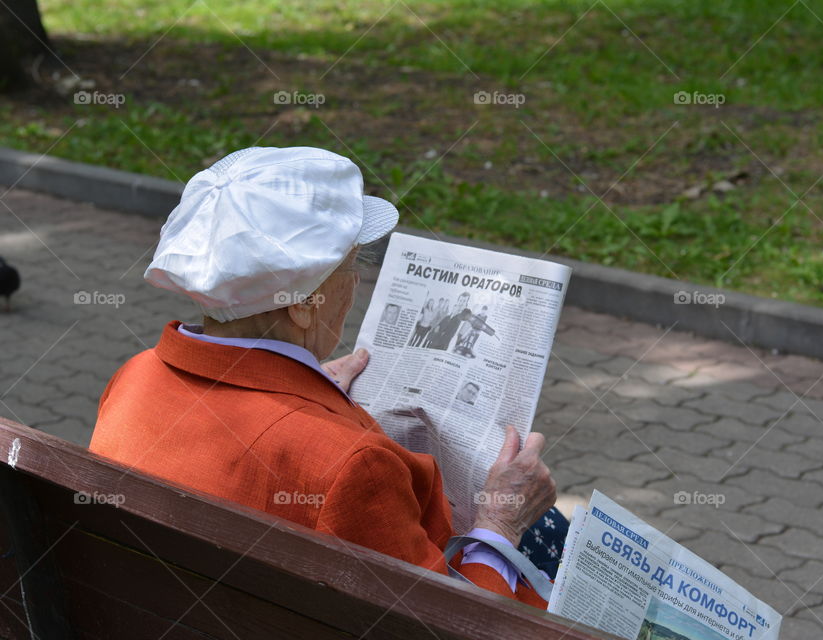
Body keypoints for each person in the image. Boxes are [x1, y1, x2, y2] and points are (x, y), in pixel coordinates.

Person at [89, 147, 558, 608]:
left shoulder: (134, 376)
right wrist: (499, 526)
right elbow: (447, 626)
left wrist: (310, 394)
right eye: (351, 266)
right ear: (300, 303)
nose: (355, 284)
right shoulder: (353, 466)